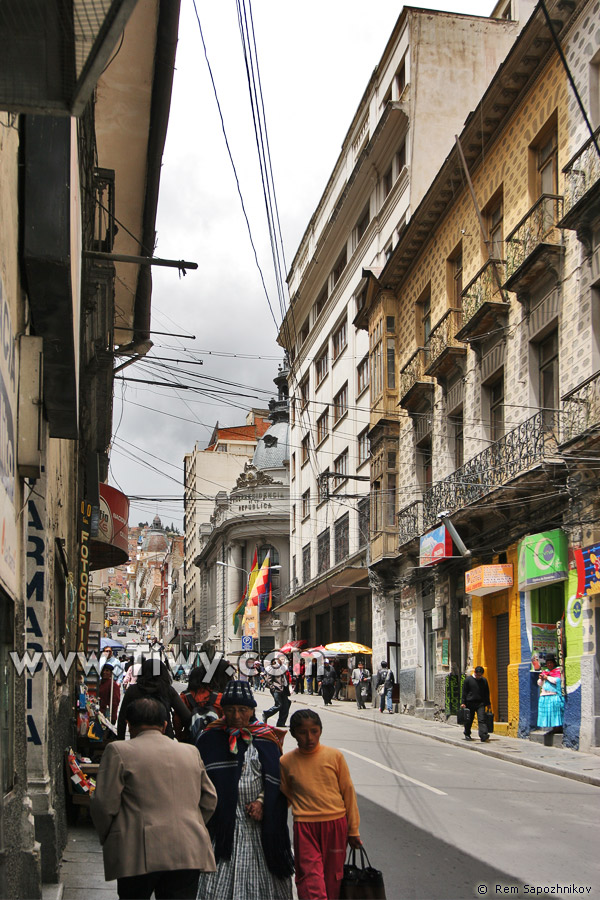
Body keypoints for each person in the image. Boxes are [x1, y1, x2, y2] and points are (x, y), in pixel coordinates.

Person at [91, 697, 217, 900]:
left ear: (130, 726)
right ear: (164, 725)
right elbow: (210, 799)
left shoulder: (119, 751)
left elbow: (104, 804)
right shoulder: (190, 752)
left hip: (137, 849)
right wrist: (192, 823)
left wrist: (110, 835)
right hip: (187, 848)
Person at [195, 681, 294, 900]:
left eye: (242, 710)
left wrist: (262, 802)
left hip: (257, 827)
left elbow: (278, 781)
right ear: (223, 710)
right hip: (221, 828)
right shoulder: (209, 738)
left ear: (252, 711)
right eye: (230, 710)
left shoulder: (266, 739)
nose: (237, 715)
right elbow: (197, 781)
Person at [280, 709, 362, 900]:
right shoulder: (286, 762)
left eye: (314, 731)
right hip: (305, 828)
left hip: (335, 825)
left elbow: (348, 793)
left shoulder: (334, 757)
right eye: (302, 732)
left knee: (333, 879)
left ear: (321, 731)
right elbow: (286, 797)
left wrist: (353, 830)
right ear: (293, 733)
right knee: (310, 880)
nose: (309, 737)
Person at [117, 658, 191, 740]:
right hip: (165, 738)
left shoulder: (133, 690)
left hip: (138, 738)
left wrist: (121, 740)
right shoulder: (168, 690)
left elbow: (122, 718)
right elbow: (186, 715)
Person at [173, 665, 223, 742]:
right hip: (216, 739)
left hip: (191, 740)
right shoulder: (219, 697)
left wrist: (179, 736)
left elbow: (177, 720)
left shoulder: (185, 697)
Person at [461, 665, 490, 742]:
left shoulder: (484, 681)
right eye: (478, 675)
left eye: (480, 675)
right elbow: (464, 691)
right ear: (475, 673)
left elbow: (486, 693)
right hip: (470, 703)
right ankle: (467, 733)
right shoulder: (468, 680)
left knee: (482, 719)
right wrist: (463, 702)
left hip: (480, 703)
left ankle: (483, 735)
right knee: (469, 720)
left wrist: (488, 703)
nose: (479, 677)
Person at [537, 654, 564, 730]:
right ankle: (552, 729)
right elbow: (539, 683)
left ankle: (557, 728)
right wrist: (542, 679)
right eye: (548, 663)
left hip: (553, 696)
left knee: (555, 714)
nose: (549, 664)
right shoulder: (545, 672)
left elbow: (557, 680)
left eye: (551, 663)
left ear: (554, 663)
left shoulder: (558, 670)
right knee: (548, 714)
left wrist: (547, 677)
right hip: (545, 696)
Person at [262, 656, 291, 726]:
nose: (283, 661)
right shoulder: (273, 667)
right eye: (281, 659)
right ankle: (266, 714)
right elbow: (268, 679)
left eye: (284, 659)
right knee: (279, 705)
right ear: (277, 660)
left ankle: (281, 723)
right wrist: (273, 688)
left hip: (284, 689)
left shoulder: (283, 668)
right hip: (276, 689)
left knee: (286, 705)